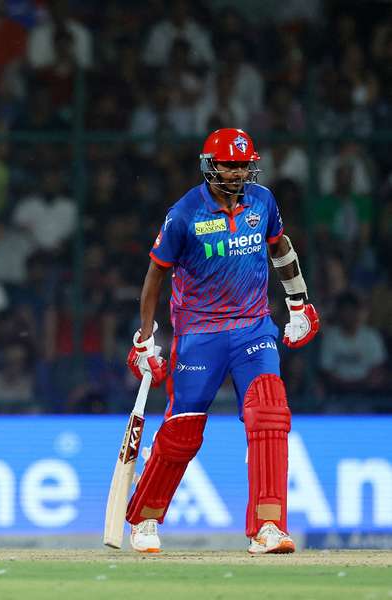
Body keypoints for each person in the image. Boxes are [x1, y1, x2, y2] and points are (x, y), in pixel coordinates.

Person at [124, 128, 319, 554]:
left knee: (269, 414)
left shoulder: (263, 201)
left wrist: (299, 301)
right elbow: (155, 275)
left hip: (254, 326)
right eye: (229, 165)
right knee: (183, 433)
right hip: (199, 334)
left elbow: (280, 247)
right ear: (210, 166)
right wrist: (144, 338)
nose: (237, 172)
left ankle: (268, 528)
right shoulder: (184, 214)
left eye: (243, 164)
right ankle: (145, 519)